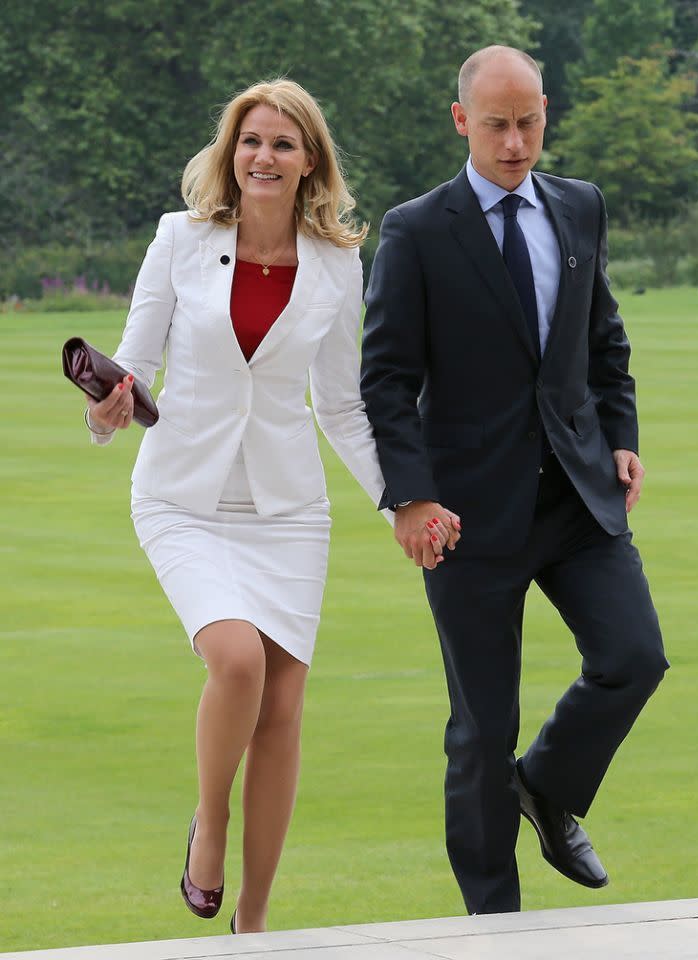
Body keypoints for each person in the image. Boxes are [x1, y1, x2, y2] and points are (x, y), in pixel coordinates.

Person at [83, 78, 455, 934]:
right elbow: (132, 370)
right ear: (230, 153)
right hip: (182, 499)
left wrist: (404, 500)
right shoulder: (179, 239)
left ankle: (254, 921)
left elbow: (344, 403)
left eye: (283, 143)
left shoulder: (334, 262)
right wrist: (108, 408)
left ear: (309, 161)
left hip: (289, 512)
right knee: (239, 664)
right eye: (250, 140)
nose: (264, 156)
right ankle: (208, 820)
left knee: (283, 709)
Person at [360, 46, 669, 914]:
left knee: (633, 658)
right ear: (460, 119)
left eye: (527, 120)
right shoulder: (416, 229)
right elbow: (383, 377)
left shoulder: (579, 207)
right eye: (495, 123)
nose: (514, 140)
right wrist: (411, 495)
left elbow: (602, 342)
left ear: (545, 113)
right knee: (479, 731)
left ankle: (546, 785)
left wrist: (620, 437)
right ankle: (491, 924)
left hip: (575, 493)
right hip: (464, 513)